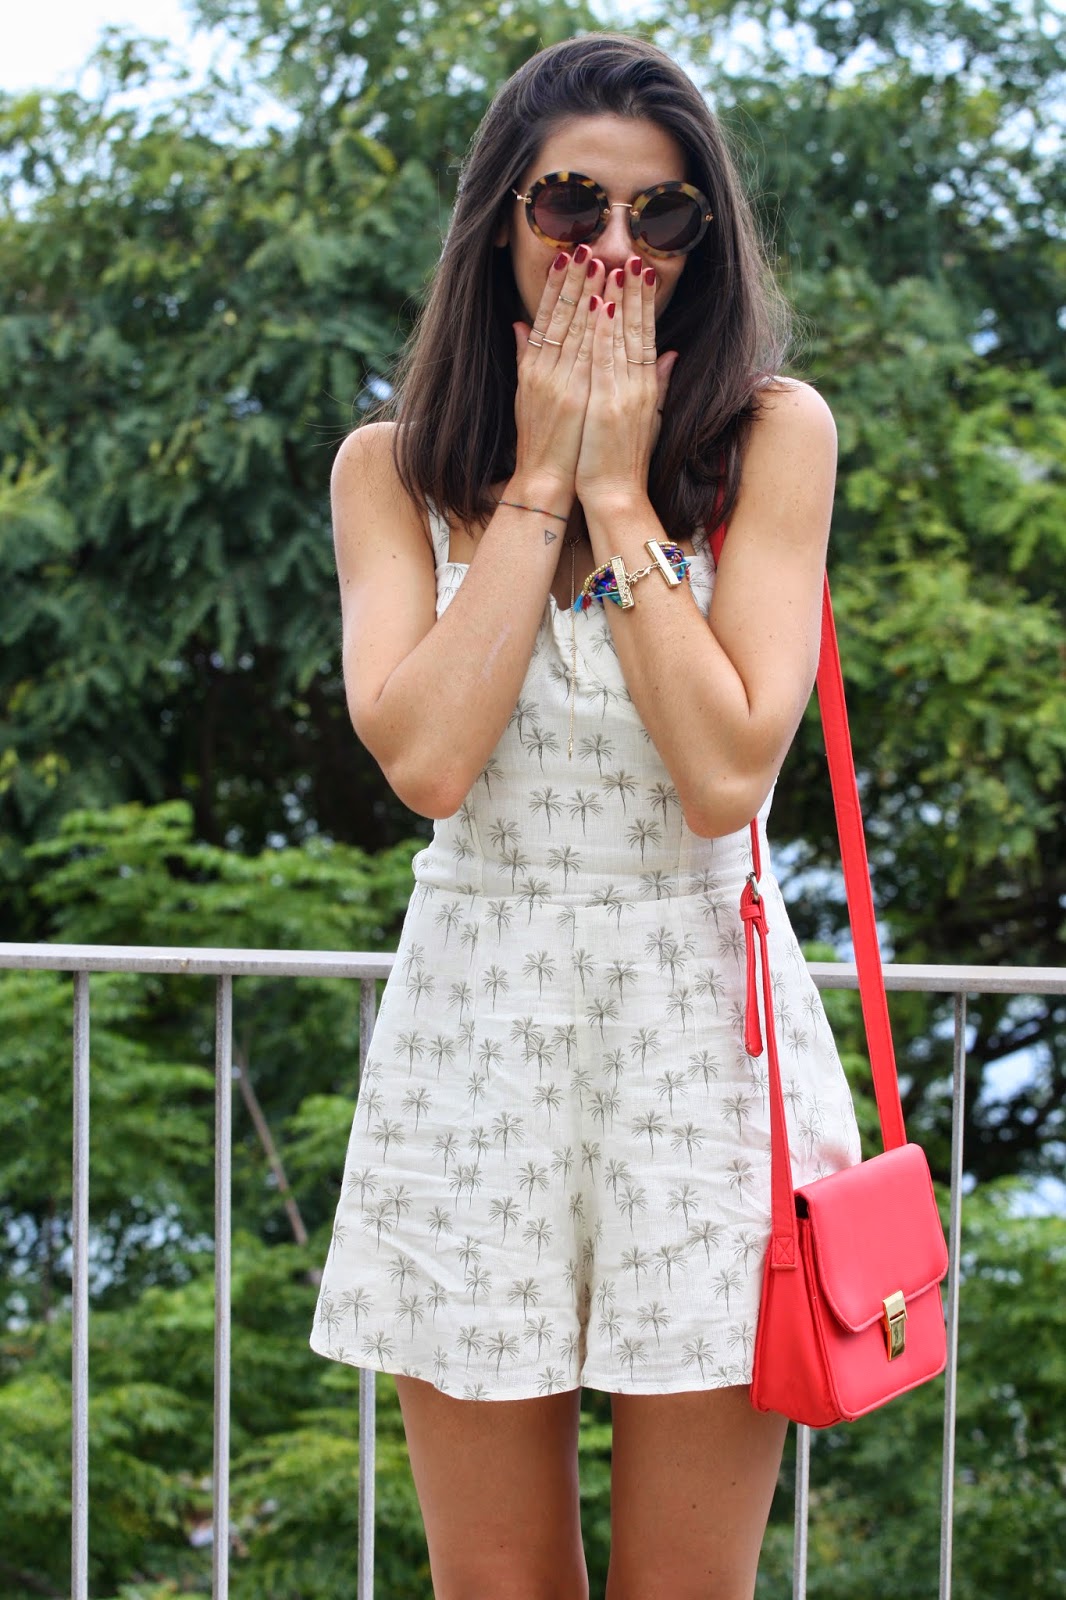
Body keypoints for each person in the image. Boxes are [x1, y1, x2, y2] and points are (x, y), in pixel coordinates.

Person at [311, 30, 860, 1600]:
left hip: (698, 1042)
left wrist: (620, 499)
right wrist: (539, 485)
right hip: (475, 1038)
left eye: (660, 216)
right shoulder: (389, 471)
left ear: (702, 241)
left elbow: (724, 776)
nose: (614, 250)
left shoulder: (772, 439)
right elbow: (426, 761)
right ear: (501, 219)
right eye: (572, 206)